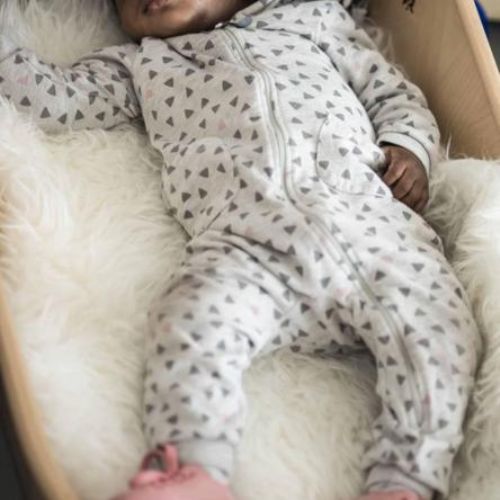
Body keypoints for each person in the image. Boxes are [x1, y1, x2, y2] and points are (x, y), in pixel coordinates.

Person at [0, 1, 482, 499]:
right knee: (189, 321)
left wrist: (409, 149)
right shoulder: (142, 64)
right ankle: (193, 467)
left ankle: (405, 479)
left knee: (438, 324)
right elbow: (54, 100)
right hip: (246, 245)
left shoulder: (313, 21)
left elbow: (393, 95)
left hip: (370, 224)